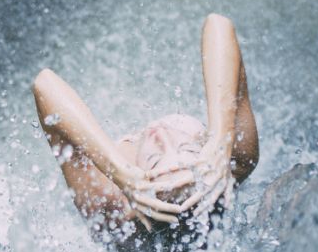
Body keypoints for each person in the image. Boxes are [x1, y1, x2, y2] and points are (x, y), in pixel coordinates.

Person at [32, 13, 259, 239]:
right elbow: (218, 24)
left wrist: (119, 172)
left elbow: (44, 83)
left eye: (154, 160)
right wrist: (221, 138)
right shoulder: (233, 161)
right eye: (187, 149)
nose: (162, 136)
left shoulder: (112, 207)